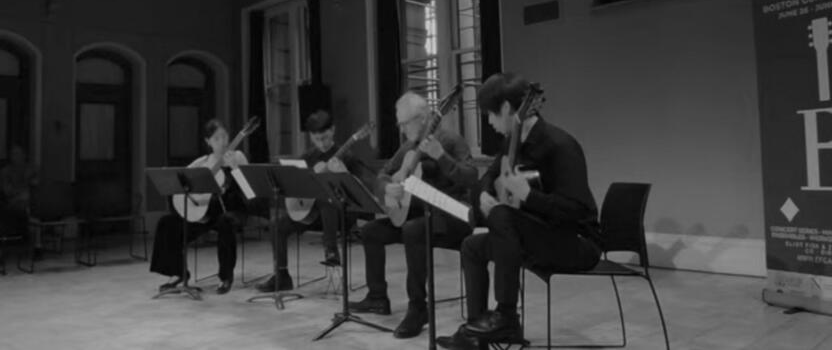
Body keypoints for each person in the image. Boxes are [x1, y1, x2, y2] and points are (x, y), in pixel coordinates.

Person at [436, 73, 602, 349]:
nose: (489, 122)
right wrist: (485, 195)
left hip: (577, 243)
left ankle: (507, 316)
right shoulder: (511, 143)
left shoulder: (560, 146)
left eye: (489, 115)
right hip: (538, 235)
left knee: (502, 215)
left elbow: (576, 210)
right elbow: (485, 180)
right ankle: (476, 334)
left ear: (504, 109)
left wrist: (528, 195)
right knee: (472, 246)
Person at [348, 91, 478, 339]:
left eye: (404, 123)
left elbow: (471, 177)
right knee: (370, 231)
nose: (401, 128)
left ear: (424, 117)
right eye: (399, 123)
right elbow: (382, 174)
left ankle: (418, 308)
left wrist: (441, 156)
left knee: (413, 230)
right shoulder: (408, 146)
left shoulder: (450, 141)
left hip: (450, 219)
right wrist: (388, 187)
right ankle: (377, 296)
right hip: (417, 214)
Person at [256, 110, 373, 292]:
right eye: (317, 139)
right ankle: (282, 276)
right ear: (311, 136)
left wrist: (343, 174)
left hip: (342, 214)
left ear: (333, 130)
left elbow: (363, 188)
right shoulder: (307, 158)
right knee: (277, 224)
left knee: (326, 196)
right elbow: (295, 186)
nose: (322, 143)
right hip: (312, 214)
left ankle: (331, 250)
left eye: (325, 137)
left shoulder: (348, 156)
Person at [149, 119, 249, 295]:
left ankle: (225, 277)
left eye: (225, 136)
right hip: (204, 212)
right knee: (167, 223)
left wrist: (235, 168)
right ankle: (177, 272)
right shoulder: (202, 162)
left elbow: (249, 190)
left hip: (231, 210)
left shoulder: (237, 156)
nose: (223, 141)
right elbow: (180, 182)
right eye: (217, 138)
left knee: (226, 222)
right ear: (208, 142)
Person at [0, 146, 40, 257]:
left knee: (34, 211)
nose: (17, 157)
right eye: (14, 154)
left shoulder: (30, 170)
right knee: (28, 204)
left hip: (28, 203)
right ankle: (36, 246)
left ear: (24, 156)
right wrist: (23, 191)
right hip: (11, 205)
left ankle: (37, 247)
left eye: (19, 154)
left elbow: (36, 185)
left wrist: (29, 183)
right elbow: (7, 191)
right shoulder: (5, 172)